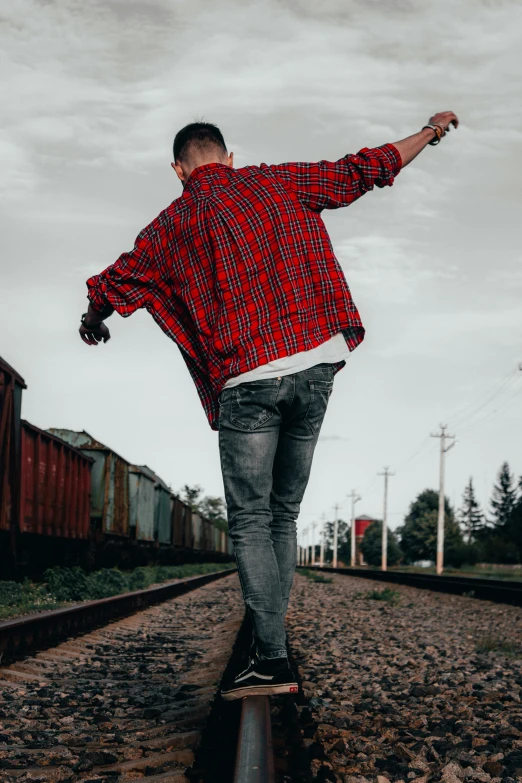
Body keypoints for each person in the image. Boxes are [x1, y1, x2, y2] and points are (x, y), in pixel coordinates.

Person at [79, 112, 458, 699]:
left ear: (179, 170)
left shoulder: (168, 227)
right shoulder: (276, 181)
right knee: (282, 515)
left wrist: (92, 321)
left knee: (252, 519)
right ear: (229, 158)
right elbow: (366, 169)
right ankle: (268, 647)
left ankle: (272, 657)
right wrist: (430, 131)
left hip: (246, 381)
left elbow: (110, 284)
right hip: (315, 365)